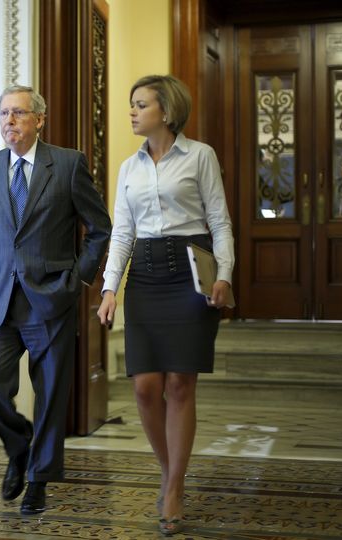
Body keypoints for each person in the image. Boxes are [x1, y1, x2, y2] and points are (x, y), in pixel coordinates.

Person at [96, 75, 234, 536]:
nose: (132, 112)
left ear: (167, 111)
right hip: (147, 277)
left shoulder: (201, 156)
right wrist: (109, 288)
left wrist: (226, 277)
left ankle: (174, 486)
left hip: (191, 273)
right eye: (131, 104)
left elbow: (219, 221)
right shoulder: (127, 168)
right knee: (144, 386)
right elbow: (122, 233)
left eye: (140, 104)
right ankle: (168, 469)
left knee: (179, 384)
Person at [0, 85, 112, 515]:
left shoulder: (67, 164)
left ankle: (39, 481)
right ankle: (19, 447)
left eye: (18, 113)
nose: (8, 122)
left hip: (51, 299)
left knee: (50, 395)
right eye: (3, 114)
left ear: (39, 120)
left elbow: (99, 228)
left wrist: (78, 278)